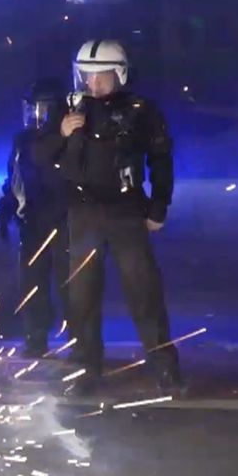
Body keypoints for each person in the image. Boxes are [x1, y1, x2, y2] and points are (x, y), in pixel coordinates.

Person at [31, 40, 182, 394]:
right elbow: (37, 155)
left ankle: (165, 368)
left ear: (120, 74)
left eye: (102, 75)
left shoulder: (140, 110)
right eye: (87, 75)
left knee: (144, 292)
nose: (93, 83)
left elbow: (161, 159)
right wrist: (61, 133)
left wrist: (159, 206)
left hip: (126, 211)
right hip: (82, 213)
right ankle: (85, 369)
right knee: (81, 297)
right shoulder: (68, 108)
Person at [0, 78, 72, 358]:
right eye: (31, 108)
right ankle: (35, 339)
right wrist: (6, 206)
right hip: (32, 222)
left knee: (70, 284)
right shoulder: (22, 139)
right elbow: (14, 179)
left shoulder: (68, 138)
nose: (34, 115)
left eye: (40, 109)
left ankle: (80, 342)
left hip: (64, 221)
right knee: (32, 284)